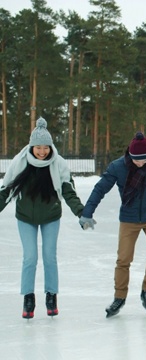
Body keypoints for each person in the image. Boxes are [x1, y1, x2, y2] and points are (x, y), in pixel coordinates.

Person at [79, 132, 146, 318]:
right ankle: (119, 297)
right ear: (130, 155)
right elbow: (100, 188)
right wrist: (87, 213)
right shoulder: (118, 167)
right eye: (137, 160)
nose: (140, 163)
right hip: (129, 219)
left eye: (144, 159)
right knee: (123, 259)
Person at [0, 118, 86, 319]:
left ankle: (51, 295)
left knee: (50, 257)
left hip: (50, 217)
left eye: (45, 147)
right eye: (38, 147)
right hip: (25, 218)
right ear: (31, 146)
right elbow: (5, 191)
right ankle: (28, 298)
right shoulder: (20, 163)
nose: (42, 151)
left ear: (50, 147)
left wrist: (82, 213)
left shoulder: (59, 164)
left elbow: (68, 191)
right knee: (29, 258)